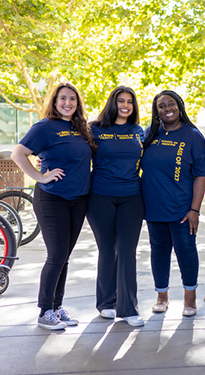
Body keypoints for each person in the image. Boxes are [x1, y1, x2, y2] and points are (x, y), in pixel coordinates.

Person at [11, 83, 96, 330]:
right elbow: (18, 153)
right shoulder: (44, 127)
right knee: (56, 255)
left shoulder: (81, 128)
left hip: (79, 199)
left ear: (78, 103)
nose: (68, 103)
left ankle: (57, 308)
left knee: (64, 257)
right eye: (63, 98)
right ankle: (44, 311)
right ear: (55, 101)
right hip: (52, 198)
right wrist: (40, 176)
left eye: (72, 99)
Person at [141, 90, 205, 317]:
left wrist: (194, 210)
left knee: (186, 252)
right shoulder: (150, 133)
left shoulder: (193, 135)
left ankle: (190, 299)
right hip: (153, 207)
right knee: (159, 252)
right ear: (156, 110)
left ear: (179, 106)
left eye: (171, 104)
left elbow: (201, 175)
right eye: (161, 106)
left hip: (182, 209)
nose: (166, 108)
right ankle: (162, 296)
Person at [87, 86, 145, 326]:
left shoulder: (138, 131)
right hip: (100, 196)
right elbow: (77, 153)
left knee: (127, 250)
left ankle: (128, 308)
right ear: (112, 103)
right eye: (121, 100)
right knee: (107, 250)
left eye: (130, 102)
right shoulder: (94, 129)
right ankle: (106, 303)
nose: (125, 105)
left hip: (132, 196)